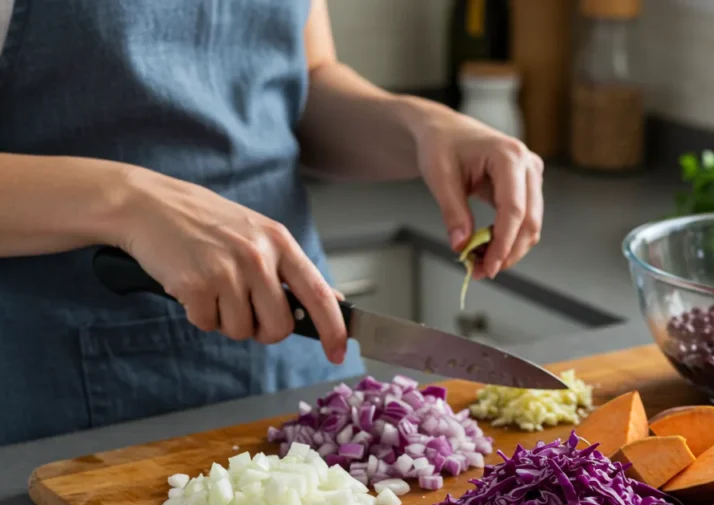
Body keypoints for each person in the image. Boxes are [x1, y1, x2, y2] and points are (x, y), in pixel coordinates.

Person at [0, 0, 544, 446]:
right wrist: (130, 200)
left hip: (300, 361)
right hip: (68, 407)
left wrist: (422, 128)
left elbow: (302, 84)